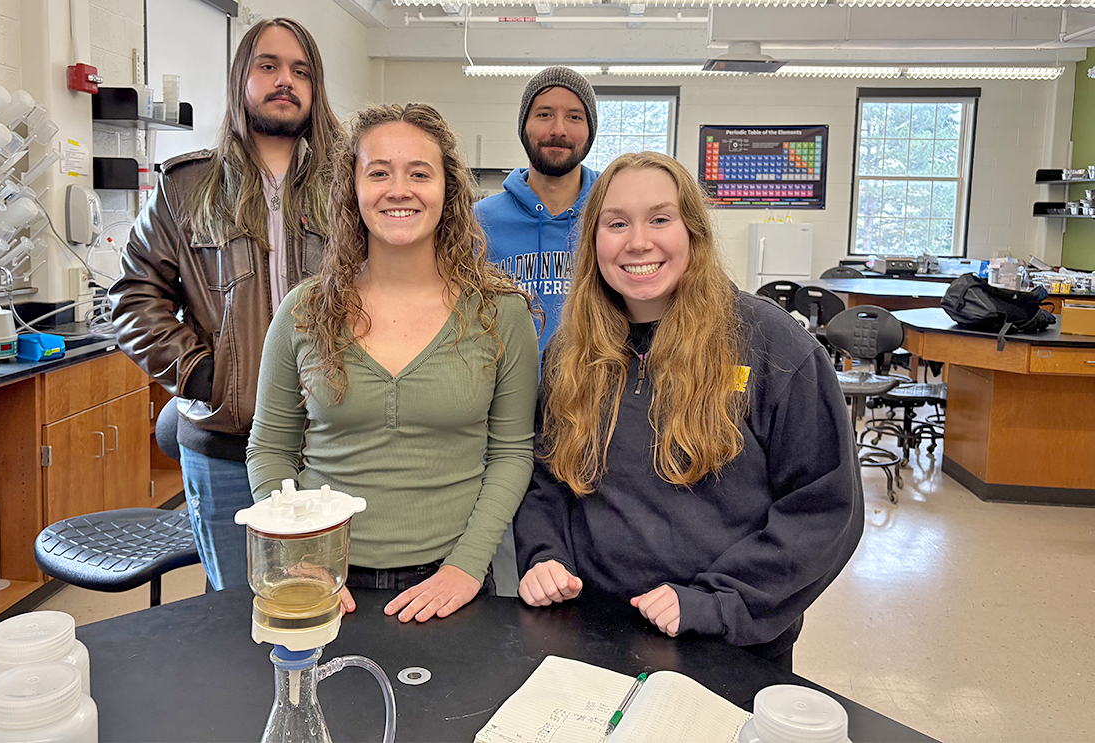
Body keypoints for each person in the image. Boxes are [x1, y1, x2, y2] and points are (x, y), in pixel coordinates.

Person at [513, 151, 863, 668]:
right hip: (588, 629)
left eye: (660, 219)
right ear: (593, 243)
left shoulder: (774, 346)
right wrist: (544, 555)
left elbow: (825, 508)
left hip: (728, 642)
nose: (638, 241)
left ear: (692, 232)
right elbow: (546, 479)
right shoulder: (571, 349)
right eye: (616, 224)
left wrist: (716, 600)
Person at [246, 103, 539, 624]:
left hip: (453, 580)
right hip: (327, 580)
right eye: (378, 172)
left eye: (419, 173)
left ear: (448, 191)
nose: (398, 189)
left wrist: (468, 567)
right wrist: (302, 557)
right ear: (351, 189)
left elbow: (512, 453)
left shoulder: (500, 312)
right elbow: (269, 448)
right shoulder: (305, 311)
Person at [109, 18, 341, 591]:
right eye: (268, 66)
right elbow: (135, 294)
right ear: (241, 79)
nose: (285, 80)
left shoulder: (349, 186)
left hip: (332, 442)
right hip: (226, 449)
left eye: (300, 70)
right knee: (241, 614)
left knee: (329, 606)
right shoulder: (186, 188)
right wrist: (200, 372)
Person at [476, 66, 601, 352]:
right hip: (505, 392)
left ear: (589, 130)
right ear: (524, 126)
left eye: (574, 117)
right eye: (544, 115)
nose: (558, 130)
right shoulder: (478, 222)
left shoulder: (614, 215)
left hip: (596, 392)